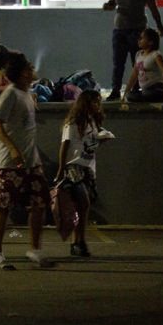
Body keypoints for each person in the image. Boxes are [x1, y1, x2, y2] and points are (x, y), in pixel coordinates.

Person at [0, 52, 51, 269]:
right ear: (22, 72)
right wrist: (13, 149)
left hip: (30, 162)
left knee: (38, 204)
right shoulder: (10, 94)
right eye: (28, 67)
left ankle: (34, 249)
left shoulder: (26, 93)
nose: (32, 69)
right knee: (2, 207)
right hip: (10, 163)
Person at [54, 90, 109, 257]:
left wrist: (101, 140)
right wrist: (61, 169)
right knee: (83, 203)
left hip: (87, 167)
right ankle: (77, 241)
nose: (98, 106)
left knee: (83, 207)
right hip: (73, 167)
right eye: (95, 102)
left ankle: (79, 242)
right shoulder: (73, 122)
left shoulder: (92, 122)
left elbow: (89, 145)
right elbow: (65, 146)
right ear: (86, 103)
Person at [102, 0, 163, 101]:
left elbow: (154, 9)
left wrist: (160, 26)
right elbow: (112, 3)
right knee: (118, 62)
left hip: (137, 30)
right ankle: (116, 89)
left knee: (136, 62)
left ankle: (136, 90)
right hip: (119, 29)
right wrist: (108, 6)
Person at [121, 29, 163, 103]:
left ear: (151, 42)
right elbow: (134, 75)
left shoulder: (155, 55)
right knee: (131, 96)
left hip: (157, 88)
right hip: (145, 90)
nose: (139, 40)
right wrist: (126, 93)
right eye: (139, 38)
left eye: (142, 38)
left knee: (148, 95)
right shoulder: (138, 54)